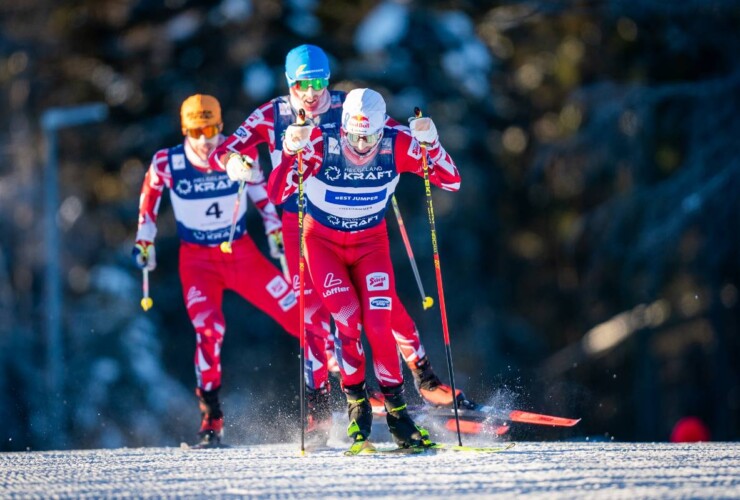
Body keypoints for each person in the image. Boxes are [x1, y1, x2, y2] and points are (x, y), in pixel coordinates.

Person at [210, 45, 474, 441]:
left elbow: (390, 138)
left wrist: (425, 146)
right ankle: (329, 404)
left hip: (363, 226)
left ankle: (421, 375)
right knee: (320, 316)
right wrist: (238, 162)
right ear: (289, 82)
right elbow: (234, 154)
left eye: (318, 82)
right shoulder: (274, 115)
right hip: (301, 225)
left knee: (382, 310)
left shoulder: (347, 110)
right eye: (302, 83)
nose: (311, 92)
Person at [266, 88, 461, 450]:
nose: (361, 146)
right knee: (347, 318)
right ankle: (356, 402)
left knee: (378, 322)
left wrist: (432, 144)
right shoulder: (321, 144)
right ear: (342, 129)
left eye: (370, 136)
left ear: (381, 129)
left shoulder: (397, 143)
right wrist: (291, 151)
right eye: (354, 136)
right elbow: (277, 192)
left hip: (370, 245)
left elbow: (451, 180)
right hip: (323, 245)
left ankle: (398, 412)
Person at [132, 94, 306, 448]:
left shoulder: (237, 153)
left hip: (241, 254)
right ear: (185, 129)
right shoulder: (168, 162)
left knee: (299, 314)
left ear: (221, 126)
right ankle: (211, 414)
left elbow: (261, 193)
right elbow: (149, 198)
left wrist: (274, 230)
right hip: (198, 262)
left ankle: (348, 389)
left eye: (211, 128)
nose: (204, 139)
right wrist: (145, 240)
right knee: (209, 328)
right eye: (196, 130)